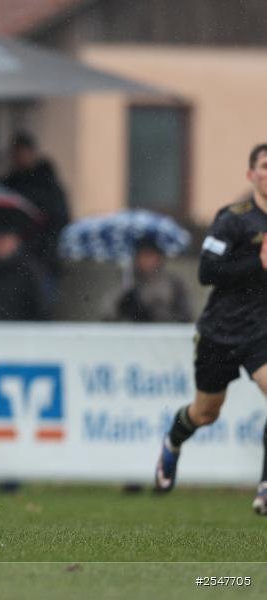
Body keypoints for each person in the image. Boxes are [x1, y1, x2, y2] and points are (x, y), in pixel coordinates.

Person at [155, 143, 267, 515]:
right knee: (206, 413)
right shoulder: (233, 219)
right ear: (251, 174)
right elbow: (207, 272)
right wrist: (257, 264)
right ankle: (173, 441)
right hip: (220, 331)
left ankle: (264, 486)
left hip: (261, 333)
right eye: (264, 165)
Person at [0, 132, 71, 284]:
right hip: (17, 261)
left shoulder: (47, 186)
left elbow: (59, 220)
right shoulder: (10, 186)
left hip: (43, 260)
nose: (21, 158)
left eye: (23, 153)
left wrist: (43, 246)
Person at [105, 236, 192, 323]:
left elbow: (185, 316)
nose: (147, 260)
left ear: (159, 257)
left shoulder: (173, 283)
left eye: (150, 255)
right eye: (143, 256)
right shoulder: (126, 282)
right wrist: (124, 304)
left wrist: (156, 312)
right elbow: (108, 315)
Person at [0, 224, 51, 321]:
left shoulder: (30, 270)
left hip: (22, 331)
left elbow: (42, 305)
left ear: (16, 241)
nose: (0, 244)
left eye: (4, 239)